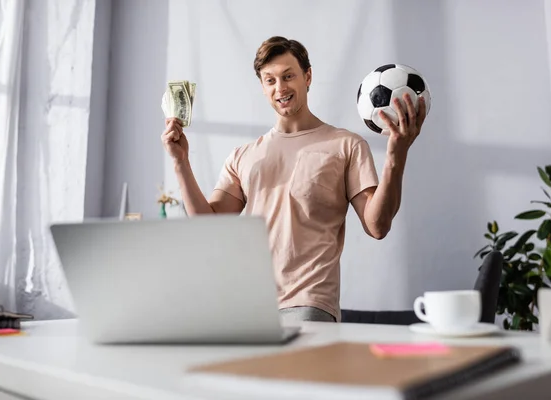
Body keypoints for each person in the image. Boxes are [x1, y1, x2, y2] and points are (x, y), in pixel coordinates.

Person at [161, 36, 427, 324]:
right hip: (245, 305)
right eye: (270, 80)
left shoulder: (346, 145)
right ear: (263, 87)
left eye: (288, 76)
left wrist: (395, 157)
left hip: (309, 303)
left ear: (307, 76)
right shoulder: (243, 155)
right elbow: (208, 224)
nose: (280, 88)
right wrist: (180, 162)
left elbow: (377, 225)